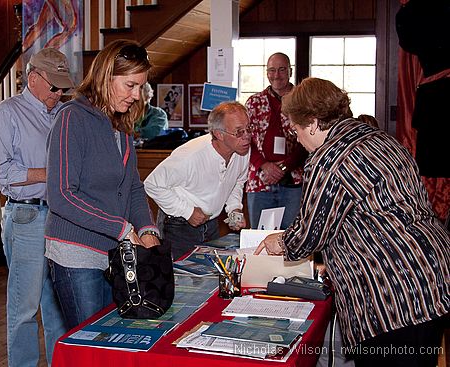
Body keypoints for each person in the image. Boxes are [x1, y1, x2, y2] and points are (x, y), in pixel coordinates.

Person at [255, 77, 450, 367]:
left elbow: (308, 236)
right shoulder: (381, 138)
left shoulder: (329, 158)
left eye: (295, 128)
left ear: (311, 122)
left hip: (393, 292)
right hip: (433, 275)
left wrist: (280, 240)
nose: (296, 136)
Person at [45, 39, 161, 329]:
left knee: (112, 340)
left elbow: (133, 187)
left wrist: (147, 229)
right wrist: (123, 229)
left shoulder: (120, 125)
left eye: (140, 87)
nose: (136, 95)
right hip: (76, 253)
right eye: (130, 86)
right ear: (105, 77)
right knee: (89, 342)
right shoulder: (71, 118)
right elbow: (61, 196)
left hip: (114, 253)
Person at [0, 48, 74, 366]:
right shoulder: (7, 113)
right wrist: (49, 174)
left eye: (63, 87)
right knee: (24, 306)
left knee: (58, 305)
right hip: (26, 216)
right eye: (55, 87)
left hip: (61, 216)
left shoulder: (62, 114)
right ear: (34, 79)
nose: (60, 93)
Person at [144, 101, 250, 260]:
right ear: (219, 134)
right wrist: (187, 211)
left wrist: (234, 208)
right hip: (178, 226)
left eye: (249, 129)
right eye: (239, 132)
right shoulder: (190, 156)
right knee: (181, 281)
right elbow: (152, 184)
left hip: (211, 223)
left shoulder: (243, 151)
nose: (247, 136)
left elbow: (237, 181)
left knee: (212, 276)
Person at [245, 52, 308, 229]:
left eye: (282, 70)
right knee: (258, 238)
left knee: (292, 237)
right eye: (272, 70)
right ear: (267, 73)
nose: (277, 75)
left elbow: (309, 139)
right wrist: (265, 165)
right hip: (260, 180)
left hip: (293, 181)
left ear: (290, 71)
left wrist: (284, 167)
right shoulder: (254, 102)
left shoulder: (302, 101)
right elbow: (246, 139)